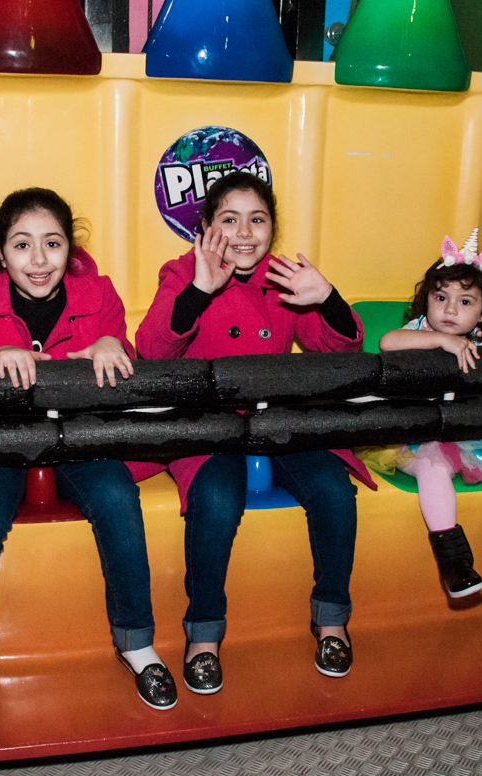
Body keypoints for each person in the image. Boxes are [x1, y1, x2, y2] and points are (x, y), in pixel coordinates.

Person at [0, 188, 175, 716]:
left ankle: (138, 642)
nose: (39, 260)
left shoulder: (98, 295)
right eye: (22, 245)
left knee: (116, 497)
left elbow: (122, 371)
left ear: (71, 250)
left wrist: (116, 347)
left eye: (52, 244)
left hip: (79, 440)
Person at [136, 171, 375, 693]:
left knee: (335, 490)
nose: (244, 232)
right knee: (218, 498)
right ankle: (203, 636)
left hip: (278, 421)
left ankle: (331, 620)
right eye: (229, 219)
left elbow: (339, 353)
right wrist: (200, 291)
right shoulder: (182, 273)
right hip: (206, 428)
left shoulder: (285, 277)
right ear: (203, 228)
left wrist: (327, 298)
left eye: (258, 219)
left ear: (272, 229)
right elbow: (152, 352)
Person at [376, 231, 482, 605]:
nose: (450, 310)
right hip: (419, 436)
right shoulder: (418, 331)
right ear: (426, 302)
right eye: (441, 298)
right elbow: (388, 342)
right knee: (433, 471)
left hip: (473, 437)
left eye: (464, 301)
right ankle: (454, 564)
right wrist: (441, 341)